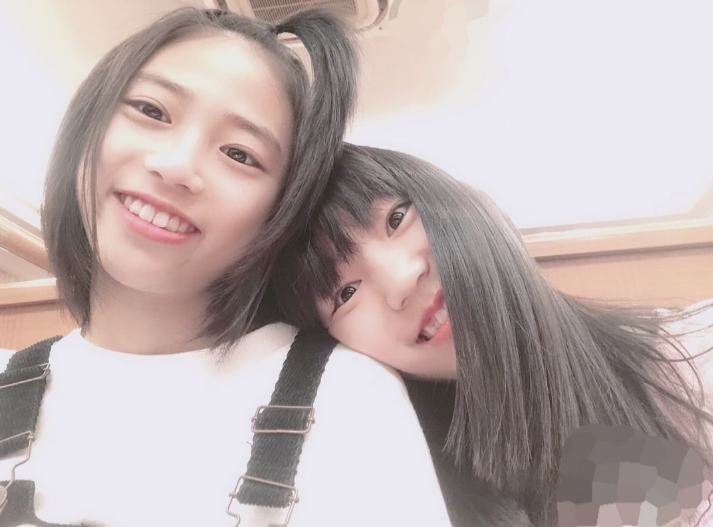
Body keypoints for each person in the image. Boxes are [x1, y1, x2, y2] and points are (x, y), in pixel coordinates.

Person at [0, 10, 453, 527]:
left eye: (240, 154)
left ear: (280, 212)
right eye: (151, 110)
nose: (176, 165)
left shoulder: (349, 396)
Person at [271, 143, 713, 526]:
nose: (401, 280)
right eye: (345, 294)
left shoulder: (695, 355)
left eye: (396, 218)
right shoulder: (410, 494)